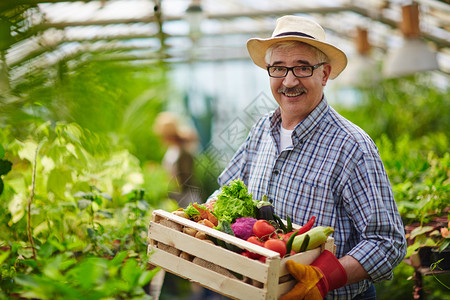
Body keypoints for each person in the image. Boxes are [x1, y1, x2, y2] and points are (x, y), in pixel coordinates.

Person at [210, 15, 406, 299]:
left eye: (302, 67)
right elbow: (226, 192)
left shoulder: (352, 147)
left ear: (324, 74)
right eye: (278, 68)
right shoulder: (262, 130)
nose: (289, 81)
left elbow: (388, 242)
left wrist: (323, 277)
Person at [153, 111, 200, 208]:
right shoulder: (172, 150)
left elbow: (183, 178)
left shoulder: (183, 151)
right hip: (178, 198)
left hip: (185, 199)